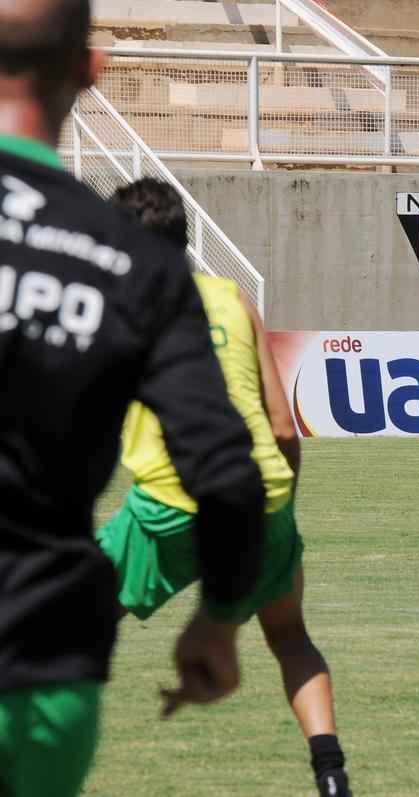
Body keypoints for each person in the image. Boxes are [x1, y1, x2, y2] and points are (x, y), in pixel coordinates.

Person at [0, 2, 266, 795]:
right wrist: (218, 619)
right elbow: (226, 472)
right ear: (90, 69)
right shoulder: (135, 263)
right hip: (41, 664)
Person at [99, 178, 352, 796]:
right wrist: (281, 509)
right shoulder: (233, 298)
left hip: (169, 503)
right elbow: (284, 426)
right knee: (290, 637)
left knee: (59, 624)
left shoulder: (117, 305)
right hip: (261, 495)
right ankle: (332, 776)